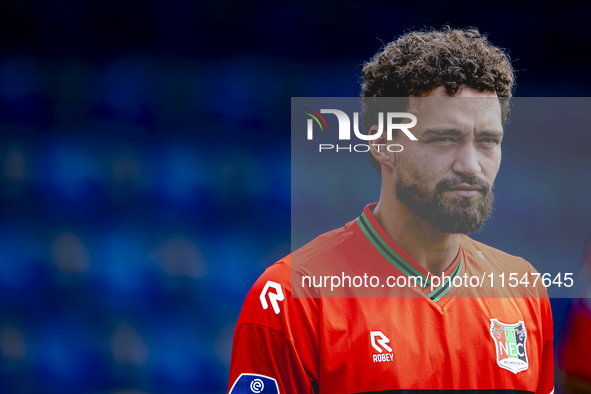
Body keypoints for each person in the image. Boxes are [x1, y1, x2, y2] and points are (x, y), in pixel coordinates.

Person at [227, 27, 554, 394]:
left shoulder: (523, 288)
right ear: (383, 144)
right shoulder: (292, 298)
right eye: (444, 138)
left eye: (488, 141)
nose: (471, 166)